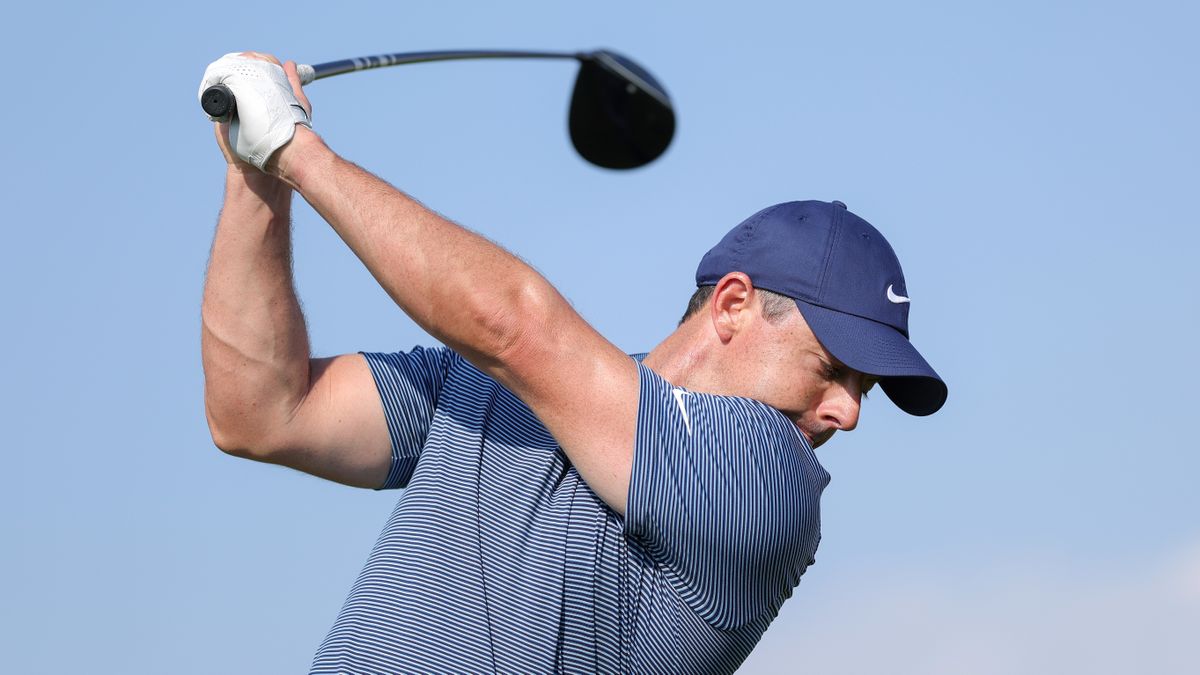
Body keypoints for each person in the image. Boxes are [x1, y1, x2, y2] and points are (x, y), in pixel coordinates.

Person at [198, 52, 947, 674]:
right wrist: (253, 176)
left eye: (864, 391)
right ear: (731, 306)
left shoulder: (771, 487)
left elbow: (514, 327)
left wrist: (297, 152)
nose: (847, 412)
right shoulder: (494, 386)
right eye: (833, 369)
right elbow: (261, 413)